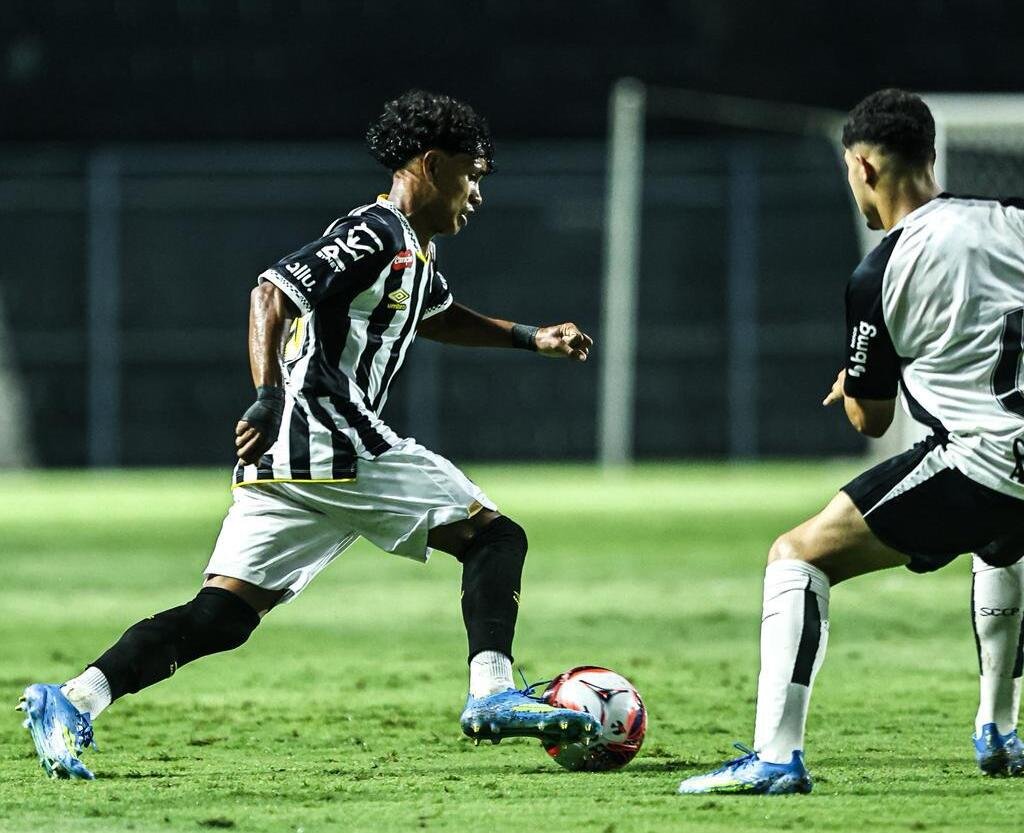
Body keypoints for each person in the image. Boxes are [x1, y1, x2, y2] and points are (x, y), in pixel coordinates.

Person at [19, 89, 597, 780]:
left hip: (289, 460)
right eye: (472, 173)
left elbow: (437, 315)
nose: (476, 191)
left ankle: (73, 698)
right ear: (433, 164)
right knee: (496, 536)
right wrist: (265, 395)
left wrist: (534, 337)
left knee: (222, 615)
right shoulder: (375, 232)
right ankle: (492, 692)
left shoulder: (412, 252)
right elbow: (271, 291)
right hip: (326, 431)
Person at [677, 88, 1024, 795]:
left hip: (983, 461)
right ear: (930, 155)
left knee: (796, 556)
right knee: (1002, 540)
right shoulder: (1014, 220)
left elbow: (870, 417)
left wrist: (858, 378)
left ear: (862, 167)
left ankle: (775, 756)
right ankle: (998, 726)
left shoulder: (879, 271)